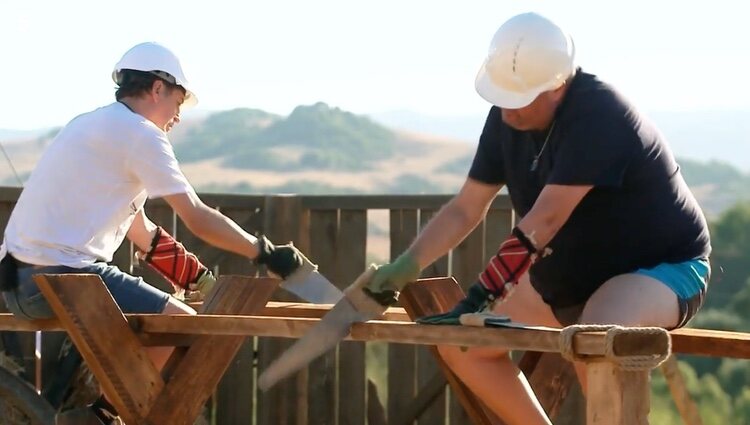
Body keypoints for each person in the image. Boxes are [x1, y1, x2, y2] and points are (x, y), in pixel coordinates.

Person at [364, 12, 711, 425]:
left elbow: (545, 220)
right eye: (501, 96)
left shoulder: (599, 114)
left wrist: (481, 296)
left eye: (519, 97)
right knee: (464, 345)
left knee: (594, 340)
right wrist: (409, 264)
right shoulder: (506, 117)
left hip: (659, 271)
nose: (507, 109)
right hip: (571, 273)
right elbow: (464, 208)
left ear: (557, 86)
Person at [0, 42, 306, 425]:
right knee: (179, 324)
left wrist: (195, 277)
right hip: (63, 276)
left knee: (156, 332)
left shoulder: (90, 124)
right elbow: (197, 216)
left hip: (17, 281)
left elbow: (138, 228)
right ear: (158, 87)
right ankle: (101, 417)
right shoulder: (140, 133)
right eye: (178, 101)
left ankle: (102, 413)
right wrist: (262, 252)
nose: (178, 116)